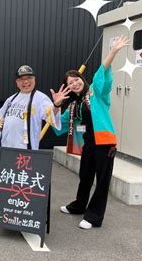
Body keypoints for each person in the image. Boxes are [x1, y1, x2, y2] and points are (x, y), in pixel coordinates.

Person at [52, 35, 129, 229]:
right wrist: (56, 105)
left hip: (105, 143)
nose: (75, 83)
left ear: (82, 79)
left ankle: (94, 216)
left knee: (102, 181)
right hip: (89, 144)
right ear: (68, 87)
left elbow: (101, 76)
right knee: (85, 176)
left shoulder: (95, 92)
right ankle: (79, 206)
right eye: (70, 82)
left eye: (76, 79)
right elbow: (58, 127)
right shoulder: (73, 106)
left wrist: (113, 52)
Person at [0, 65, 69, 207]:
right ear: (17, 82)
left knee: (19, 181)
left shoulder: (40, 98)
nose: (25, 82)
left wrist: (56, 104)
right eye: (21, 79)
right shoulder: (11, 99)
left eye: (29, 78)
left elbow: (49, 114)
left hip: (23, 151)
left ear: (34, 79)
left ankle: (17, 207)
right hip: (3, 148)